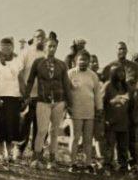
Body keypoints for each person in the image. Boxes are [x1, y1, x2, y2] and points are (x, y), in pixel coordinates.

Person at [23, 37, 72, 169]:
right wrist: (26, 96)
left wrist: (69, 102)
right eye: (49, 46)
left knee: (54, 131)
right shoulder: (38, 62)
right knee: (42, 130)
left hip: (59, 101)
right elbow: (30, 81)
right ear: (45, 47)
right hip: (43, 101)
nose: (52, 49)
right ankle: (36, 158)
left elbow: (66, 84)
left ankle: (52, 159)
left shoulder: (62, 64)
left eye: (54, 46)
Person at [0, 37, 24, 163]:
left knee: (10, 126)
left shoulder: (17, 59)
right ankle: (0, 154)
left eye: (9, 46)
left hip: (14, 97)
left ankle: (8, 154)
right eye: (3, 46)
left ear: (12, 47)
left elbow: (20, 79)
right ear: (0, 47)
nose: (6, 48)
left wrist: (24, 96)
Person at [66, 50, 102, 170]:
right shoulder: (70, 74)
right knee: (75, 137)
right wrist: (68, 107)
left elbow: (97, 93)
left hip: (89, 111)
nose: (83, 62)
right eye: (80, 59)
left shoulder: (93, 75)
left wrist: (99, 108)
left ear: (88, 61)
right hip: (75, 111)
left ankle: (87, 164)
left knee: (88, 139)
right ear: (76, 60)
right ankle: (72, 163)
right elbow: (66, 92)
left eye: (85, 60)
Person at [18, 29, 47, 155]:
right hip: (27, 94)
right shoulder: (26, 52)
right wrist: (24, 93)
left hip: (41, 96)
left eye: (43, 37)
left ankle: (37, 152)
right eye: (38, 37)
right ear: (33, 38)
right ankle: (19, 150)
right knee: (24, 123)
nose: (40, 39)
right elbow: (18, 73)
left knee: (40, 125)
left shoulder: (46, 54)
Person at [102, 65, 134, 172]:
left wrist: (131, 118)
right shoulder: (108, 86)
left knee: (123, 146)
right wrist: (104, 118)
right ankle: (107, 165)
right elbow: (101, 103)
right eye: (118, 71)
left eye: (123, 72)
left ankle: (123, 166)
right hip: (110, 121)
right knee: (109, 145)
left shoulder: (127, 87)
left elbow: (131, 104)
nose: (121, 74)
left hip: (124, 121)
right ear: (112, 73)